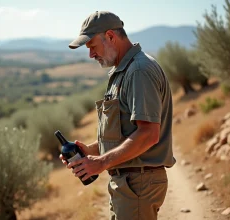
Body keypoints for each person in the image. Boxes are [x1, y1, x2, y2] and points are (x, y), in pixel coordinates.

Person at [59, 11, 176, 220]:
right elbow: (125, 132)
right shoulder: (123, 71)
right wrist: (91, 151)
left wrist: (102, 162)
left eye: (92, 47)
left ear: (111, 36)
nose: (91, 55)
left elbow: (149, 134)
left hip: (138, 184)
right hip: (128, 184)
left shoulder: (139, 71)